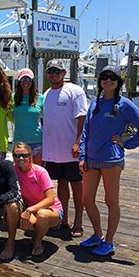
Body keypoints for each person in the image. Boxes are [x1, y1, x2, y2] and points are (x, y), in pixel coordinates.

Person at [79, 66, 139, 255]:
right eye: (104, 77)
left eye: (112, 77)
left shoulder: (124, 104)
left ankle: (109, 240)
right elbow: (85, 132)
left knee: (111, 200)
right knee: (87, 199)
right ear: (99, 81)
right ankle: (97, 235)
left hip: (112, 160)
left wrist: (126, 142)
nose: (108, 80)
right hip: (91, 160)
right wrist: (82, 156)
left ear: (118, 81)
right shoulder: (94, 103)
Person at [42, 59, 87, 238]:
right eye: (51, 71)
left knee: (77, 186)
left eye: (57, 71)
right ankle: (64, 219)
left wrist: (78, 142)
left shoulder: (75, 90)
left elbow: (82, 118)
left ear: (64, 73)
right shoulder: (46, 94)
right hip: (53, 151)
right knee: (60, 184)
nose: (54, 74)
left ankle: (78, 222)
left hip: (71, 151)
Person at [13, 142, 63, 256]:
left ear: (30, 156)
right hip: (32, 210)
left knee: (42, 215)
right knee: (24, 222)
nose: (21, 158)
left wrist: (30, 209)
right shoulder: (14, 170)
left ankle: (37, 242)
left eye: (25, 155)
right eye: (17, 155)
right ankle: (38, 232)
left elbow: (50, 199)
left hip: (51, 210)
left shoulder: (40, 172)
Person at [12, 68, 44, 165]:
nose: (25, 82)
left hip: (37, 141)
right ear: (19, 82)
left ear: (32, 81)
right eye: (23, 79)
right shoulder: (12, 97)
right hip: (19, 141)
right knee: (20, 174)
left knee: (37, 172)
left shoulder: (41, 98)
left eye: (28, 79)